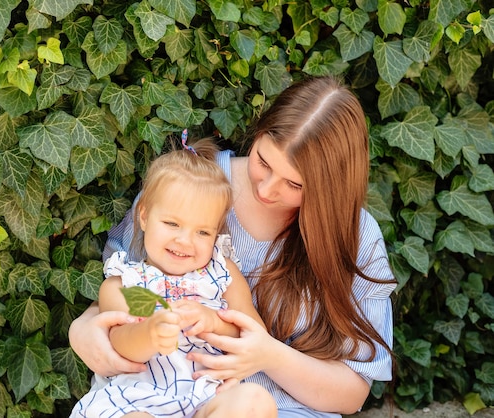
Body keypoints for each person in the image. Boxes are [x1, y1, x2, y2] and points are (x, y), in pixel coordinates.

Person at [69, 76, 397, 417]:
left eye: (294, 184)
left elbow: (351, 394)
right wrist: (83, 330)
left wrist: (267, 354)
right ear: (257, 134)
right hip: (150, 395)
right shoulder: (192, 184)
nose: (268, 190)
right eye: (263, 163)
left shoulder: (355, 236)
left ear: (330, 186)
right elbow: (123, 292)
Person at [70, 136, 277, 418]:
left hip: (205, 396)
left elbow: (254, 335)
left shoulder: (221, 273)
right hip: (139, 399)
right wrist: (149, 333)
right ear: (143, 217)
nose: (185, 241)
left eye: (203, 232)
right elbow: (119, 345)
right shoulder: (127, 283)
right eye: (171, 224)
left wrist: (214, 322)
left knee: (255, 401)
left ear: (216, 232)